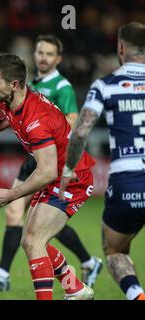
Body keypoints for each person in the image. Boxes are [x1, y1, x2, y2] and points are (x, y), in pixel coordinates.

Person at [0, 35, 102, 292]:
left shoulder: (46, 106)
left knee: (33, 240)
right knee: (32, 239)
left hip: (67, 176)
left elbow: (56, 156)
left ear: (15, 83)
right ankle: (76, 289)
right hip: (48, 166)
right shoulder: (13, 95)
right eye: (39, 52)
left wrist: (10, 193)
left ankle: (80, 277)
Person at [59, 22, 145, 301]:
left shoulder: (106, 85)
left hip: (127, 181)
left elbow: (81, 132)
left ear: (121, 48)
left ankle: (136, 294)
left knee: (116, 251)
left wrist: (68, 169)